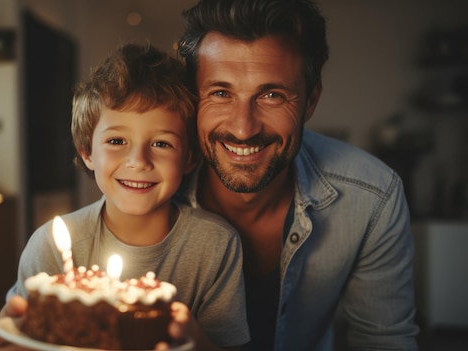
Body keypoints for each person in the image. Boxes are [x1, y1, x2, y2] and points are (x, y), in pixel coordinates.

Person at [174, 0, 420, 350]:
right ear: (193, 98)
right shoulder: (153, 187)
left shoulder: (373, 196)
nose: (244, 129)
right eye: (221, 93)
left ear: (311, 99)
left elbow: (384, 342)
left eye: (272, 95)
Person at [0, 43, 250, 351]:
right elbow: (16, 332)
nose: (138, 161)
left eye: (161, 144)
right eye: (117, 140)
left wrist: (196, 340)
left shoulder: (216, 245)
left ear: (189, 158)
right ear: (87, 152)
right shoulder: (49, 247)